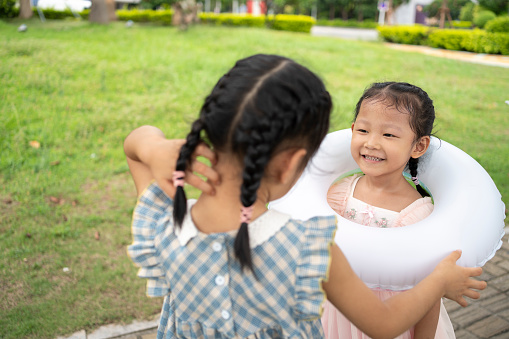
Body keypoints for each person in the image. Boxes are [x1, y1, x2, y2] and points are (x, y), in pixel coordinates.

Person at [124, 55, 486, 339]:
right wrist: (439, 281)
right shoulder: (307, 246)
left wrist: (154, 147)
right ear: (293, 165)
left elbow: (135, 147)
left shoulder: (164, 220)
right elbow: (385, 324)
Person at [322, 82, 454, 339]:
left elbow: (429, 292)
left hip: (396, 319)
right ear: (352, 130)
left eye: (389, 135)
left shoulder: (418, 215)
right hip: (334, 314)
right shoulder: (338, 194)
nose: (371, 143)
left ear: (418, 146)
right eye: (363, 130)